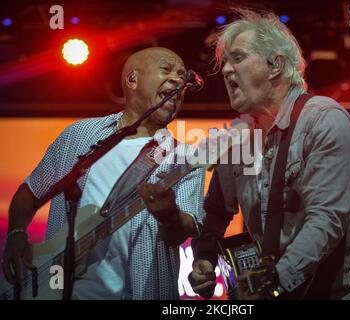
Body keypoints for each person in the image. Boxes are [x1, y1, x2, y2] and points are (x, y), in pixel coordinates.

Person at [188, 9, 350, 300]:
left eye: (238, 58)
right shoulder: (240, 139)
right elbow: (215, 211)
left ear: (275, 65)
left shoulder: (324, 119)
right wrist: (205, 257)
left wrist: (272, 282)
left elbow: (327, 218)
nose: (226, 70)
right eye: (225, 61)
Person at [2, 47, 205, 299]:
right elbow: (30, 193)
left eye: (182, 75)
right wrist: (16, 233)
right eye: (166, 69)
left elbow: (186, 227)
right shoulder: (79, 136)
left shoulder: (183, 158)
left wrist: (169, 215)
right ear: (132, 80)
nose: (178, 80)